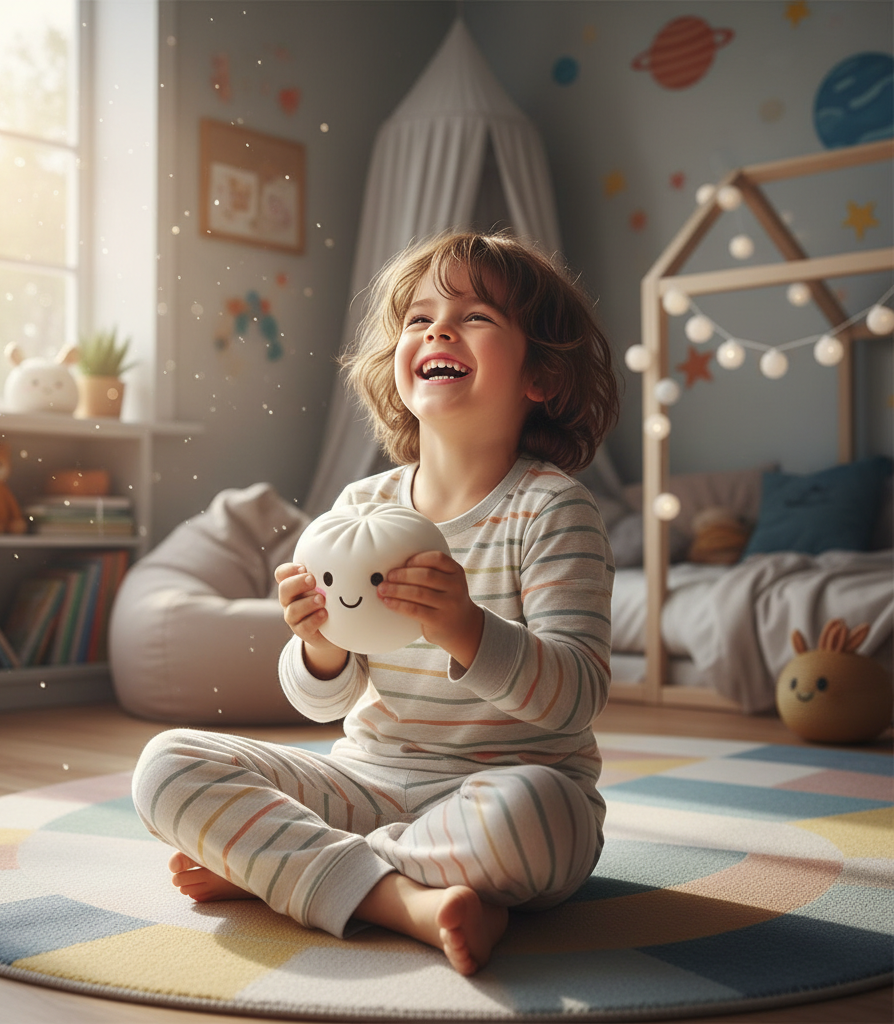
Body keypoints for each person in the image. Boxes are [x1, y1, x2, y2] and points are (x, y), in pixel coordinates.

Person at [132, 230, 620, 976]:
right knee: (165, 765)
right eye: (419, 319)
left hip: (498, 794)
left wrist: (465, 628)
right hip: (365, 782)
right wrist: (319, 648)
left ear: (541, 377)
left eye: (476, 316)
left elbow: (576, 698)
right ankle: (400, 899)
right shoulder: (362, 504)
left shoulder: (553, 512)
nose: (438, 330)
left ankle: (280, 872)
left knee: (544, 822)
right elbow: (322, 704)